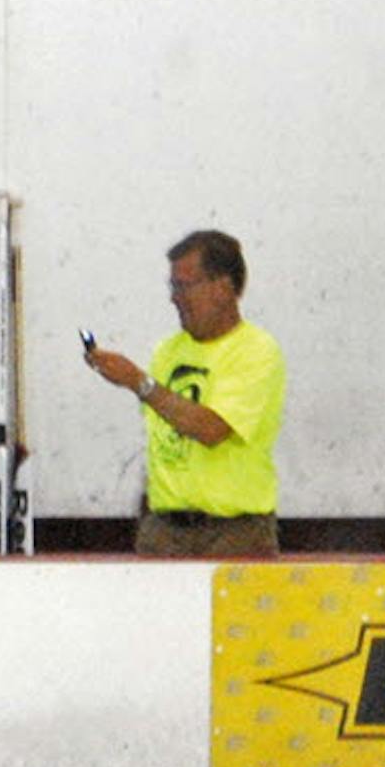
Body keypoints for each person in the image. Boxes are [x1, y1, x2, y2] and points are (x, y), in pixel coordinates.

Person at [84, 230, 286, 557]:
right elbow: (162, 442)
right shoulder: (168, 351)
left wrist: (139, 383)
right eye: (172, 286)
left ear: (223, 288)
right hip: (164, 532)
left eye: (184, 286)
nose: (174, 298)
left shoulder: (256, 351)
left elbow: (211, 429)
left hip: (234, 535)